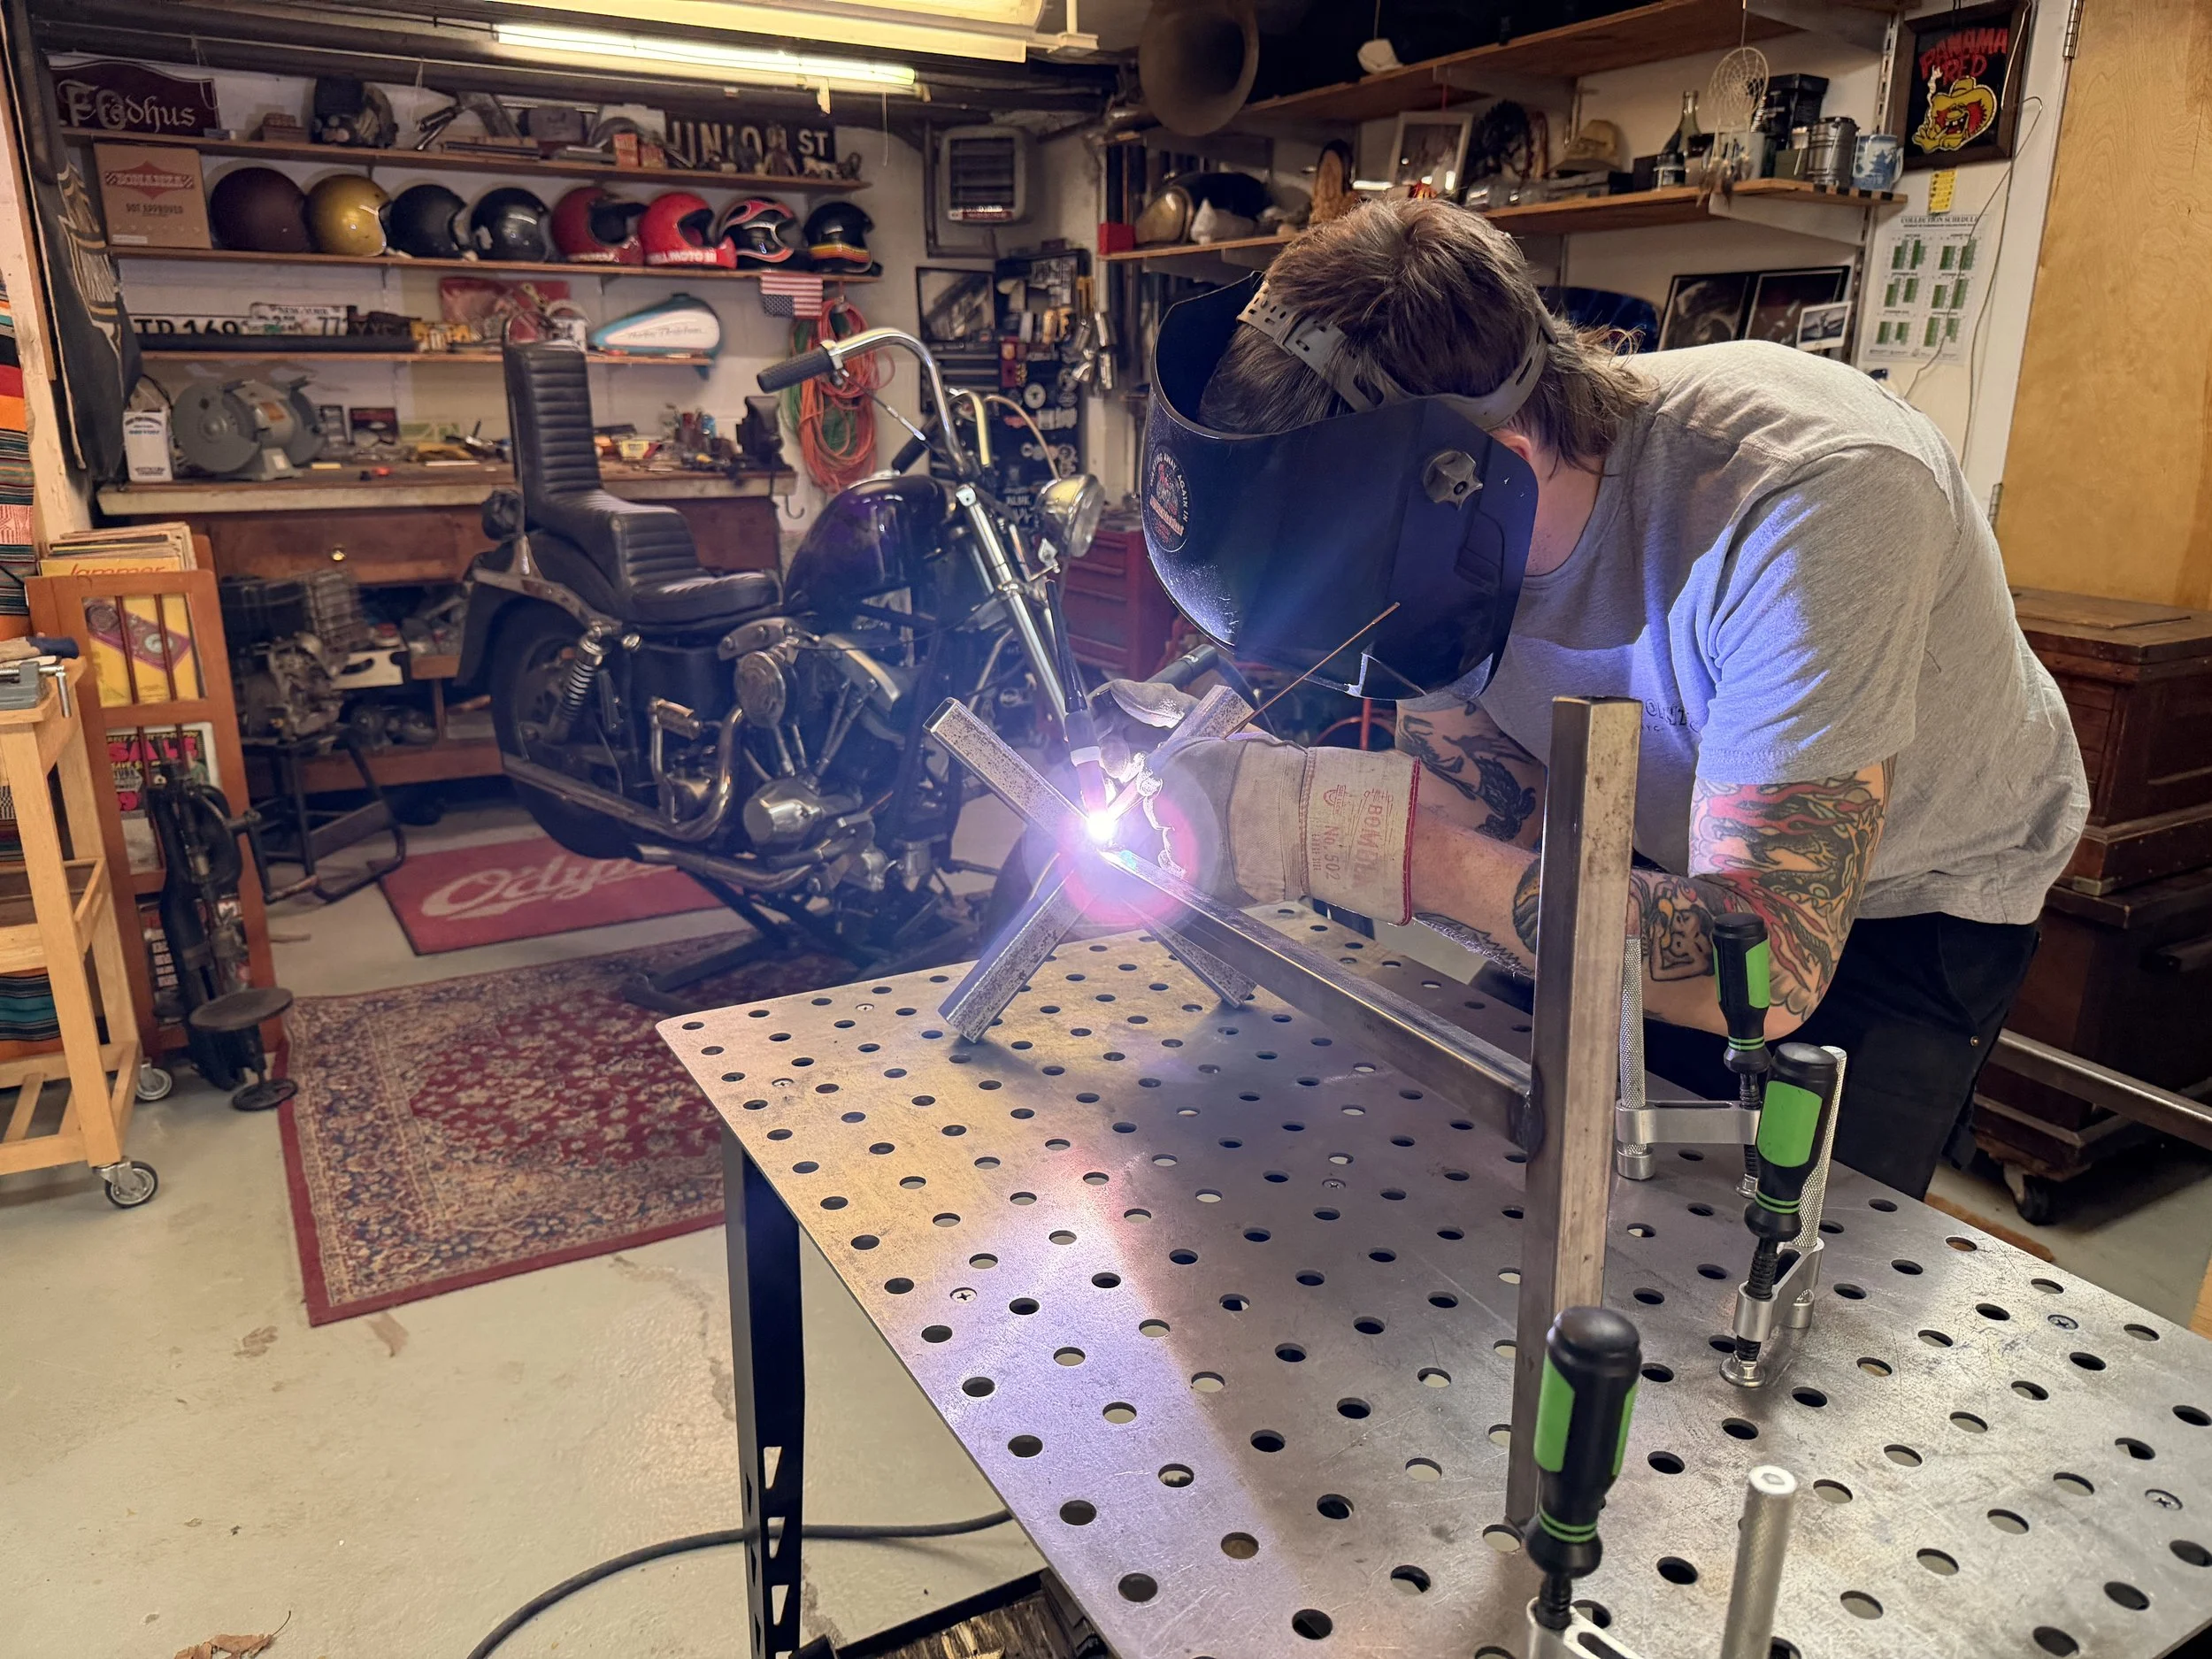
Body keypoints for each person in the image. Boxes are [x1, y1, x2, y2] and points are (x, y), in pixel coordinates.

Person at [1112, 198, 2086, 1200]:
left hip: (1894, 905)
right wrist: (1242, 820)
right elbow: (1485, 801)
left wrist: (1336, 832)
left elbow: (1766, 964)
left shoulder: (1805, 503)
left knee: (1779, 1251)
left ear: (1495, 468)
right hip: (1641, 840)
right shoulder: (1439, 515)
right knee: (1492, 1164)